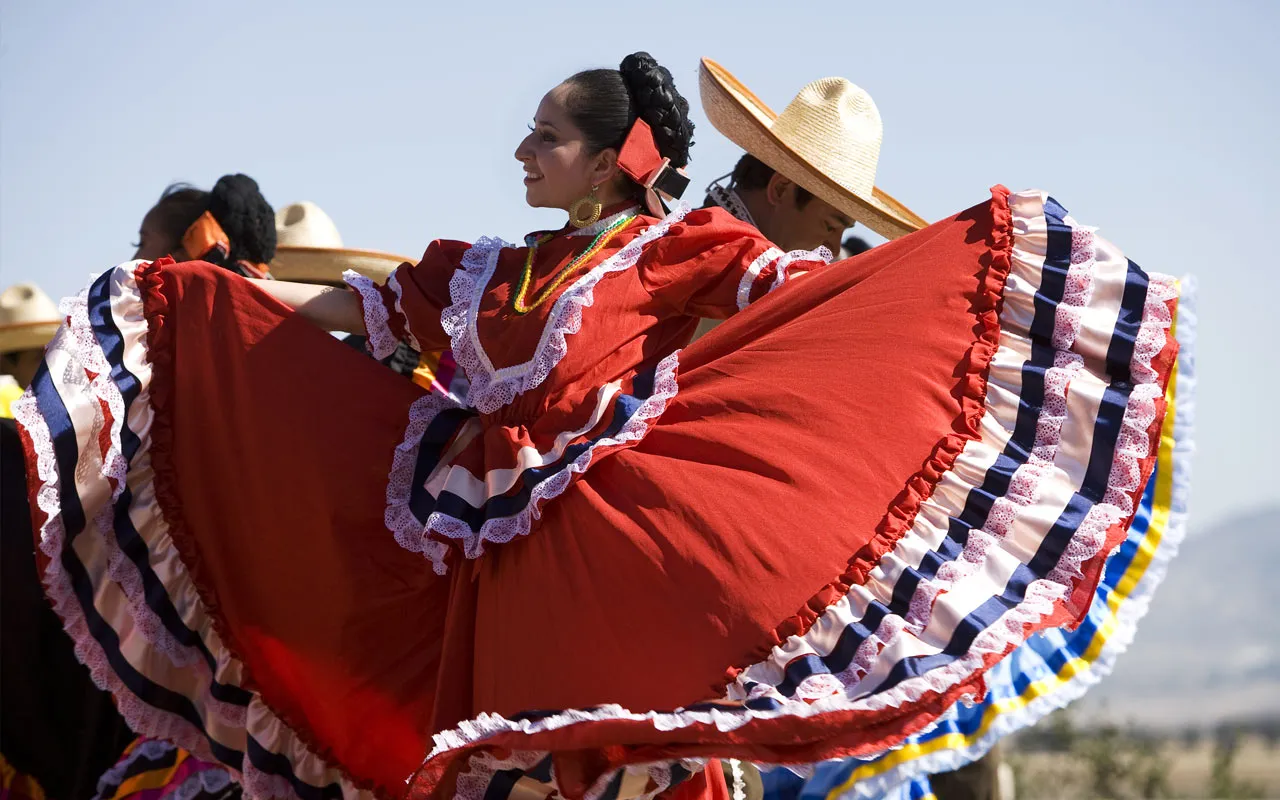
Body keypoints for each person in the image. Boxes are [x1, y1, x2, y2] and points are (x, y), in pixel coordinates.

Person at [14, 51, 1187, 800]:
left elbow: (801, 306)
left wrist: (937, 284)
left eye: (545, 137)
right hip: (464, 580)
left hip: (602, 564)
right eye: (526, 134)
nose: (521, 152)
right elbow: (355, 307)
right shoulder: (488, 270)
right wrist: (210, 298)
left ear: (610, 164)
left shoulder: (683, 250)